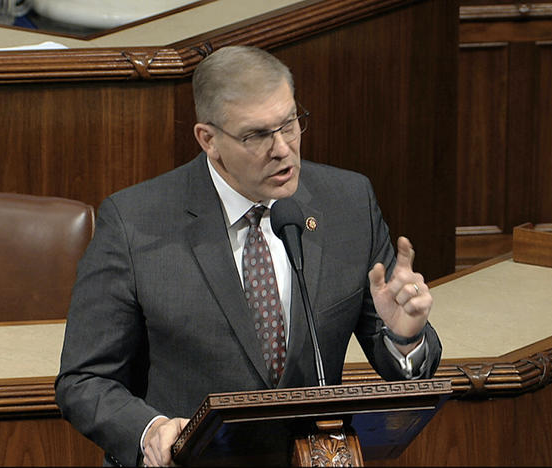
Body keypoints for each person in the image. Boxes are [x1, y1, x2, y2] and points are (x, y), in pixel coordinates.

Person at [55, 45, 442, 467]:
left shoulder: (349, 203)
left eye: (290, 124)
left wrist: (406, 339)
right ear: (209, 139)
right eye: (256, 135)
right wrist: (151, 430)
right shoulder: (135, 222)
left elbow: (400, 369)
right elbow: (84, 380)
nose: (282, 149)